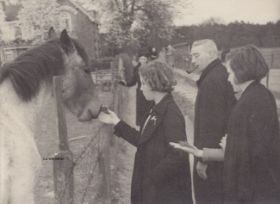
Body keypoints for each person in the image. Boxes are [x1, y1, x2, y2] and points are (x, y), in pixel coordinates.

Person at [171, 44, 280, 204]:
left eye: (230, 73)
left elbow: (252, 153)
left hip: (251, 191)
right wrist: (204, 153)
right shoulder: (261, 94)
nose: (228, 78)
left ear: (242, 71)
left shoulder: (247, 103)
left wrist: (231, 145)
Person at [98, 61, 193, 204]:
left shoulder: (171, 113)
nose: (141, 88)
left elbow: (178, 155)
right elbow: (143, 140)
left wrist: (151, 178)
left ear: (154, 83)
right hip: (156, 189)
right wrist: (117, 122)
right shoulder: (157, 108)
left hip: (165, 193)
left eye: (143, 83)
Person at [190, 39, 236, 204]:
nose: (193, 61)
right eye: (191, 56)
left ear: (211, 54)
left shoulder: (211, 81)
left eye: (196, 55)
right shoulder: (218, 74)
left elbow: (212, 126)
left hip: (212, 163)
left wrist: (203, 160)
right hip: (220, 157)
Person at [120, 54, 154, 126]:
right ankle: (141, 126)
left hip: (149, 91)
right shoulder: (136, 69)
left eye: (144, 59)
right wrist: (125, 83)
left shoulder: (150, 68)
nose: (143, 60)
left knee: (150, 108)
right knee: (141, 109)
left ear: (146, 60)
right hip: (140, 92)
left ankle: (150, 124)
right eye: (141, 59)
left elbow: (153, 80)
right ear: (139, 60)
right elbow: (133, 81)